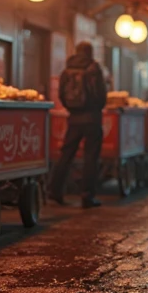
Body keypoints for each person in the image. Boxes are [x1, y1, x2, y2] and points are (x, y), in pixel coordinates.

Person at [49, 42, 107, 208]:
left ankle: (55, 191)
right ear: (90, 52)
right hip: (92, 118)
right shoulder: (93, 68)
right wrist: (96, 108)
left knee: (66, 154)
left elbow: (61, 93)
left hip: (74, 118)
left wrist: (71, 108)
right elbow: (100, 94)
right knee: (91, 156)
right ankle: (87, 195)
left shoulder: (67, 70)